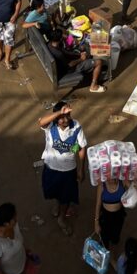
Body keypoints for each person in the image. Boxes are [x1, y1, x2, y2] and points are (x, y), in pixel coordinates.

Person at [39, 101, 87, 236]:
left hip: (68, 171)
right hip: (51, 168)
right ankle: (57, 204)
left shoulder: (76, 126)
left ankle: (62, 218)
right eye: (62, 117)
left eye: (68, 116)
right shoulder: (50, 126)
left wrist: (81, 169)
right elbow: (41, 122)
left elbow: (82, 147)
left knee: (66, 197)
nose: (65, 120)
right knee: (54, 191)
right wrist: (59, 112)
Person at [94, 172, 126, 274]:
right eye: (110, 176)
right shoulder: (102, 185)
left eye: (115, 176)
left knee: (115, 241)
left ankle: (112, 258)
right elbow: (98, 205)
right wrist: (96, 222)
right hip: (105, 220)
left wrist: (136, 185)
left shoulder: (123, 182)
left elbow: (133, 192)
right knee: (103, 246)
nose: (112, 179)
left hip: (119, 218)